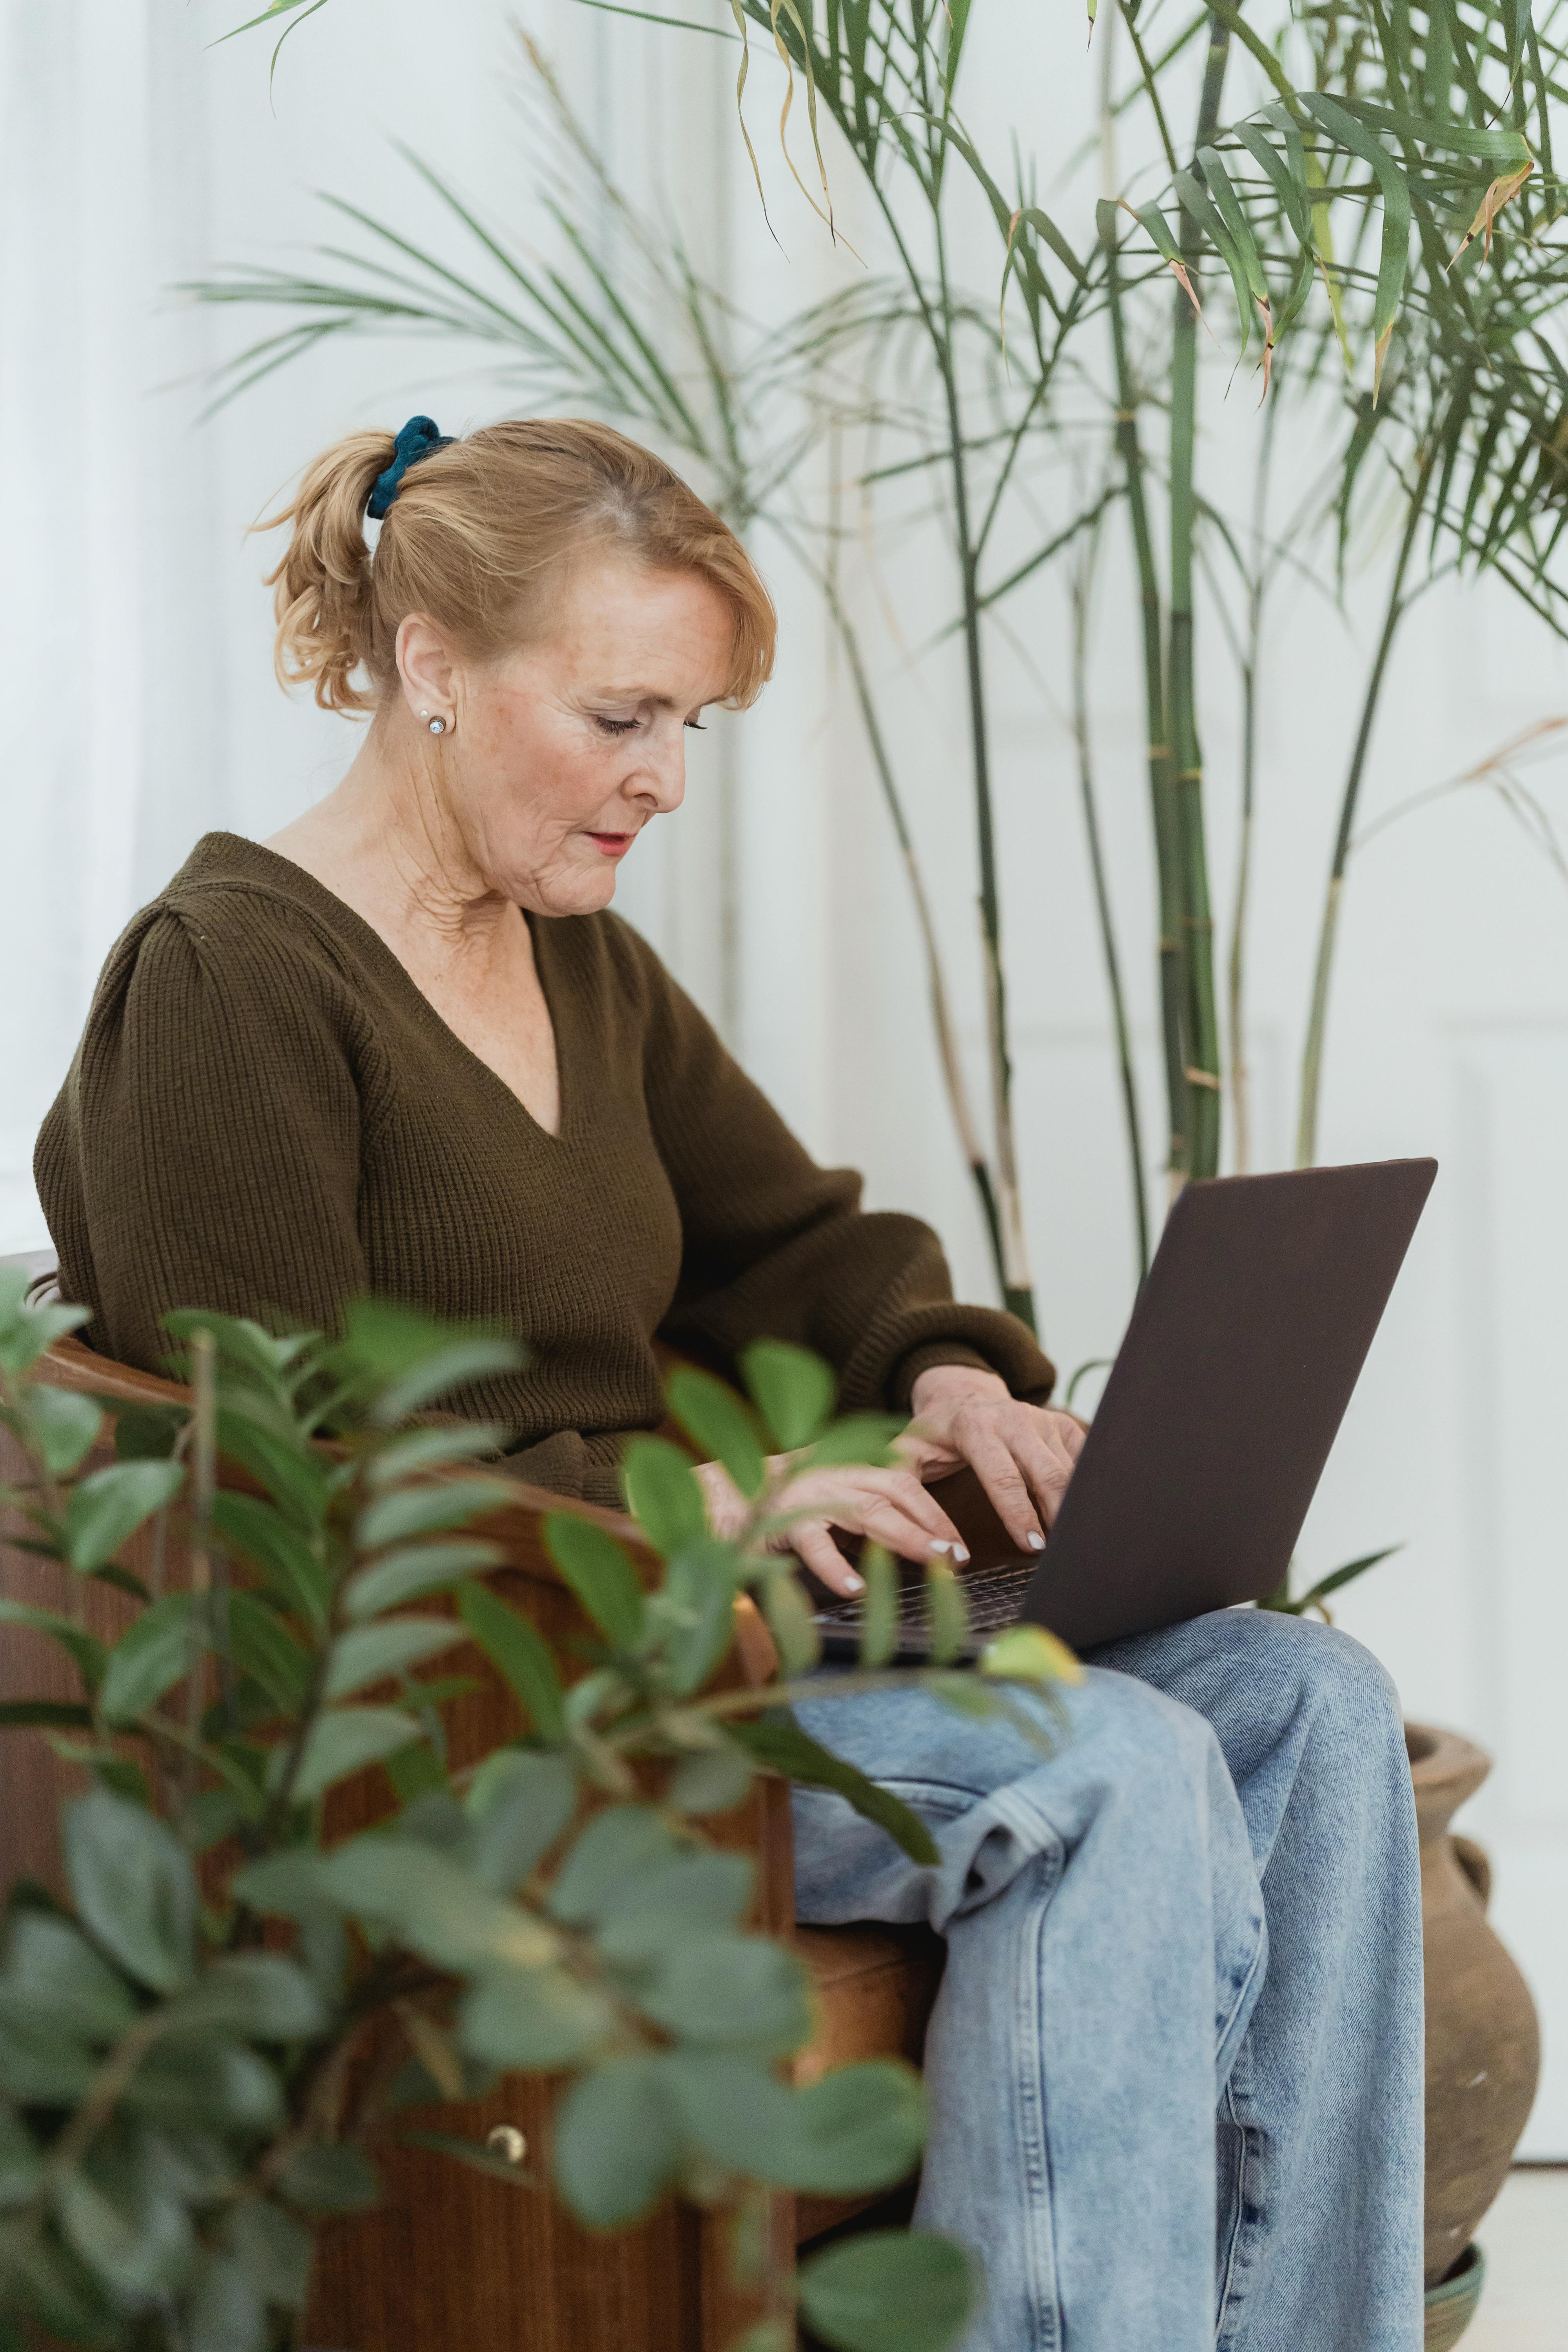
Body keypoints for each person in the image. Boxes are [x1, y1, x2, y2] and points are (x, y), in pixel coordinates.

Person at [35, 415, 1423, 2352]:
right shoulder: (227, 984)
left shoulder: (574, 960)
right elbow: (279, 1485)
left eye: (690, 724)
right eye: (621, 716)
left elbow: (800, 1243)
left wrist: (945, 1379)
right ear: (432, 665)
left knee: (1307, 1699)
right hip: (510, 1701)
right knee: (1108, 1766)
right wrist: (672, 1517)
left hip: (724, 1644)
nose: (662, 780)